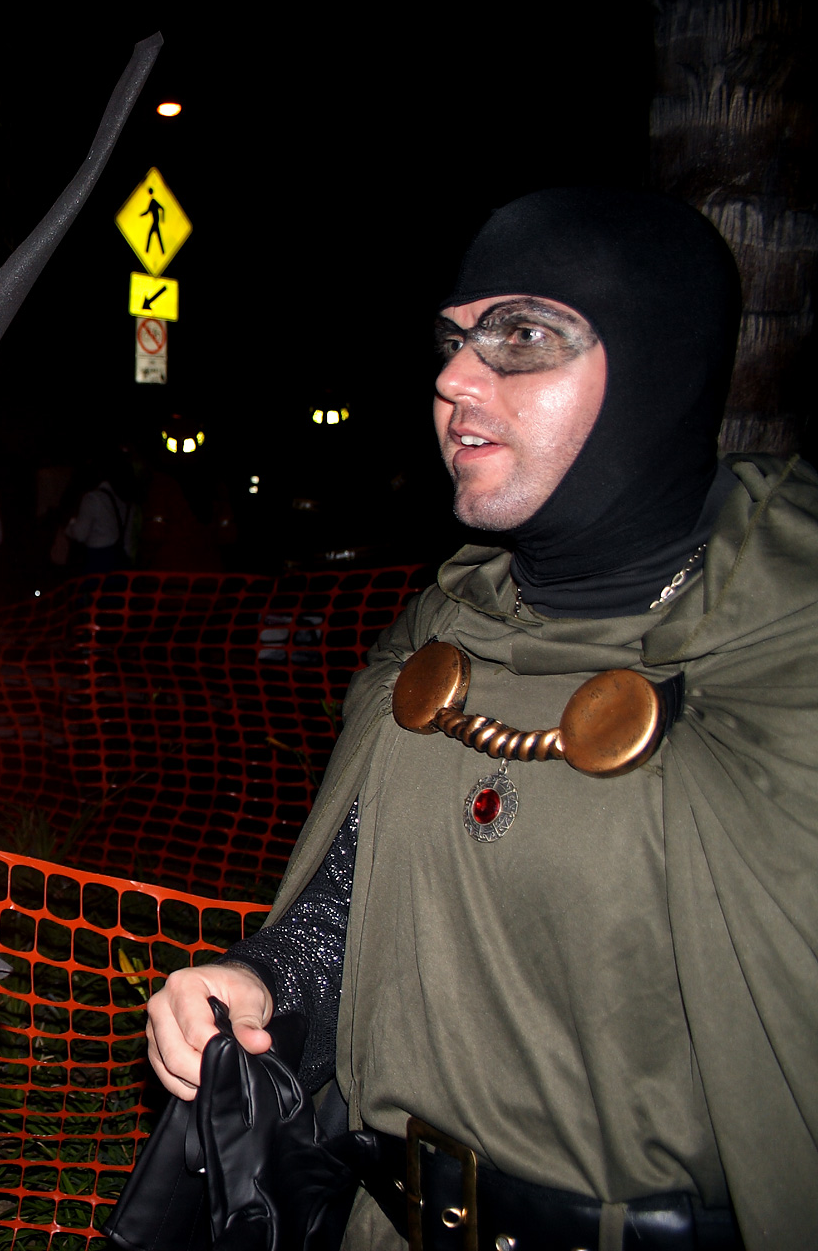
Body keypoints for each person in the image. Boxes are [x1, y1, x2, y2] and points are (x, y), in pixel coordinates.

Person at [145, 188, 816, 1249]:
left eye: (524, 338)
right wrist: (260, 978)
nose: (457, 379)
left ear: (658, 362)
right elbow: (354, 906)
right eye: (455, 341)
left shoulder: (789, 651)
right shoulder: (441, 633)